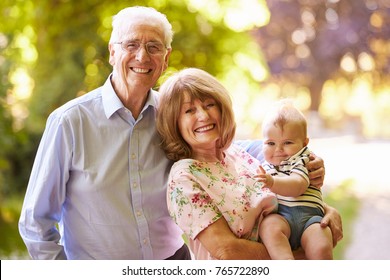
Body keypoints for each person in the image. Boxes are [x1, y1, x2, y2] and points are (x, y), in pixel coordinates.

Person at [18, 6, 341, 260]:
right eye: (131, 45)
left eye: (154, 47)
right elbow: (36, 222)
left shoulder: (173, 113)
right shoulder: (70, 122)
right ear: (112, 52)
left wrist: (306, 162)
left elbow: (227, 153)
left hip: (175, 262)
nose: (143, 56)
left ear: (166, 57)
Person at [156, 68, 340, 260]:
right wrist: (303, 255)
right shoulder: (184, 178)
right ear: (174, 122)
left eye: (209, 105)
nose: (203, 116)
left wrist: (325, 211)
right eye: (189, 110)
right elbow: (227, 252)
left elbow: (286, 173)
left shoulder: (238, 154)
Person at [256, 100, 333, 259]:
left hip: (310, 219)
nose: (278, 150)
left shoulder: (303, 159)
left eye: (288, 142)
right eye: (271, 143)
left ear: (304, 143)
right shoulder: (264, 166)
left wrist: (272, 182)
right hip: (282, 217)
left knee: (321, 246)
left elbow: (298, 185)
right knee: (268, 227)